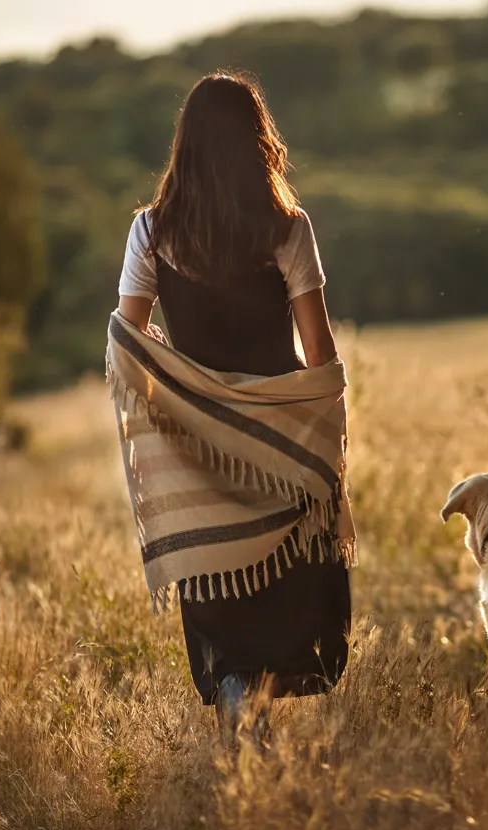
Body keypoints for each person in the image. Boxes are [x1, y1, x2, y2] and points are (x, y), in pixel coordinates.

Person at [111, 70, 354, 743]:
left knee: (219, 574)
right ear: (257, 142)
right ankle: (259, 709)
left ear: (184, 145)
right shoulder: (288, 228)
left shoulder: (150, 232)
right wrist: (325, 440)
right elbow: (319, 353)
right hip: (278, 441)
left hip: (197, 445)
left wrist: (180, 389)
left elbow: (127, 337)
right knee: (285, 583)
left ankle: (236, 691)